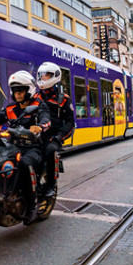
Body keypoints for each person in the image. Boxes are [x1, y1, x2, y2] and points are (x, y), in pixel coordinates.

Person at [0, 70, 50, 225]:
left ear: (28, 90)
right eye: (15, 91)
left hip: (33, 148)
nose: (17, 94)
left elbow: (46, 120)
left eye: (21, 90)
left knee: (24, 164)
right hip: (13, 146)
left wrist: (40, 127)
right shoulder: (10, 109)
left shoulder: (39, 105)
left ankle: (32, 206)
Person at [36, 62, 75, 198]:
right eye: (41, 75)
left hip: (53, 137)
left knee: (50, 150)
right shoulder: (35, 98)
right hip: (37, 136)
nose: (43, 78)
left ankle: (51, 184)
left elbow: (70, 122)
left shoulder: (63, 99)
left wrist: (60, 136)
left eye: (46, 76)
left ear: (55, 77)